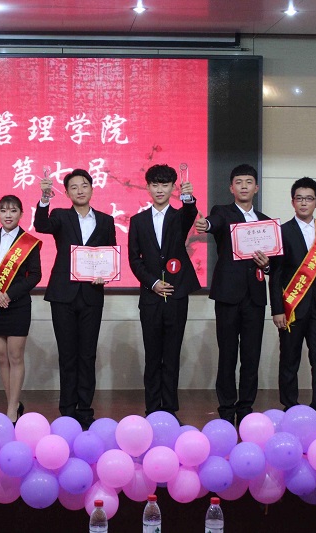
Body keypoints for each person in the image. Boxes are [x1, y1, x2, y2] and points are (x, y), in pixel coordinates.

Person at [35, 168, 117, 430]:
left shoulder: (106, 220)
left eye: (84, 186)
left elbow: (110, 254)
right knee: (67, 354)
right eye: (74, 187)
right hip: (63, 294)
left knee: (87, 355)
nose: (80, 190)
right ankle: (67, 410)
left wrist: (106, 275)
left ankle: (85, 409)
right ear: (67, 193)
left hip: (92, 294)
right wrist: (44, 199)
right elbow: (41, 225)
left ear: (92, 189)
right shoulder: (60, 216)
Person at [194, 163, 272, 426]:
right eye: (238, 182)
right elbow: (212, 223)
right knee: (227, 354)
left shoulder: (265, 222)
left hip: (255, 297)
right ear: (231, 188)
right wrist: (205, 224)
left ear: (256, 188)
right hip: (228, 295)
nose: (244, 186)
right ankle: (227, 407)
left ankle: (246, 406)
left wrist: (267, 265)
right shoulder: (222, 212)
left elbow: (273, 262)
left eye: (248, 182)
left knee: (251, 355)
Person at [128, 164, 200, 421]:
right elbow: (134, 260)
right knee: (152, 355)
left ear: (173, 188)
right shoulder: (138, 221)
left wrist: (188, 197)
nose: (160, 190)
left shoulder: (179, 217)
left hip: (176, 296)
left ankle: (169, 410)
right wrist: (153, 283)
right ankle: (151, 409)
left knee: (171, 355)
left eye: (165, 185)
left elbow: (190, 211)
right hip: (150, 297)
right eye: (155, 185)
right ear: (148, 187)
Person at [269, 177, 316, 418]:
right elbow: (275, 274)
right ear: (292, 202)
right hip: (291, 307)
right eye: (299, 198)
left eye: (309, 199)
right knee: (289, 359)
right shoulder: (282, 231)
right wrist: (277, 308)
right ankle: (290, 407)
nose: (304, 203)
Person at [0, 195, 42, 423]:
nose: (8, 215)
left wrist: (10, 294)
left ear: (21, 214)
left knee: (15, 356)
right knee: (1, 357)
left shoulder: (29, 242)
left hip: (18, 305)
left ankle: (11, 409)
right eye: (4, 210)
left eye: (13, 210)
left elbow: (35, 275)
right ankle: (13, 403)